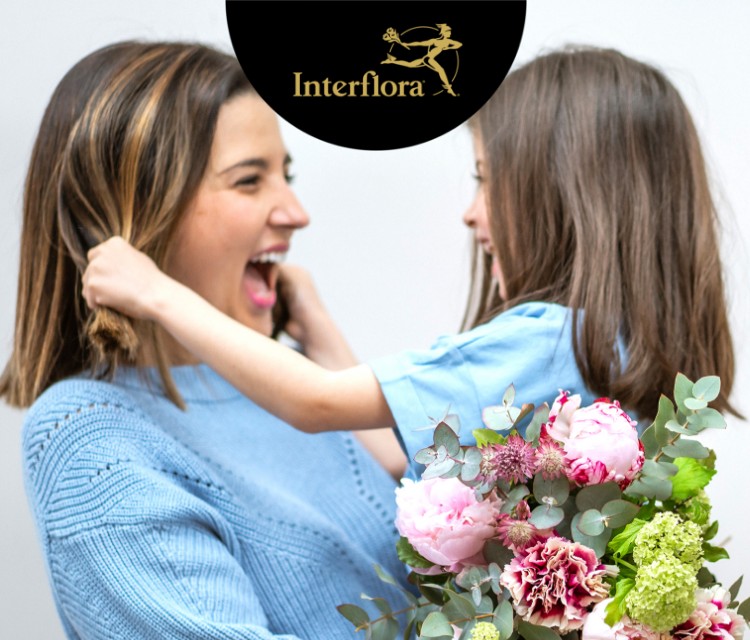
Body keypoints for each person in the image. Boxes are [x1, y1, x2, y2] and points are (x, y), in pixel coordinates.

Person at [82, 46, 737, 470]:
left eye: (485, 180)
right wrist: (317, 328)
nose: (471, 213)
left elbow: (316, 404)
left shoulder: (544, 344)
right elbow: (402, 459)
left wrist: (154, 292)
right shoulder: (616, 351)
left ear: (561, 198)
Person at [0, 41, 409, 639]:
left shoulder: (290, 381)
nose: (295, 212)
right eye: (249, 181)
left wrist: (328, 356)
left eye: (286, 175)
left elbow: (443, 539)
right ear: (138, 213)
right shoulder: (92, 439)